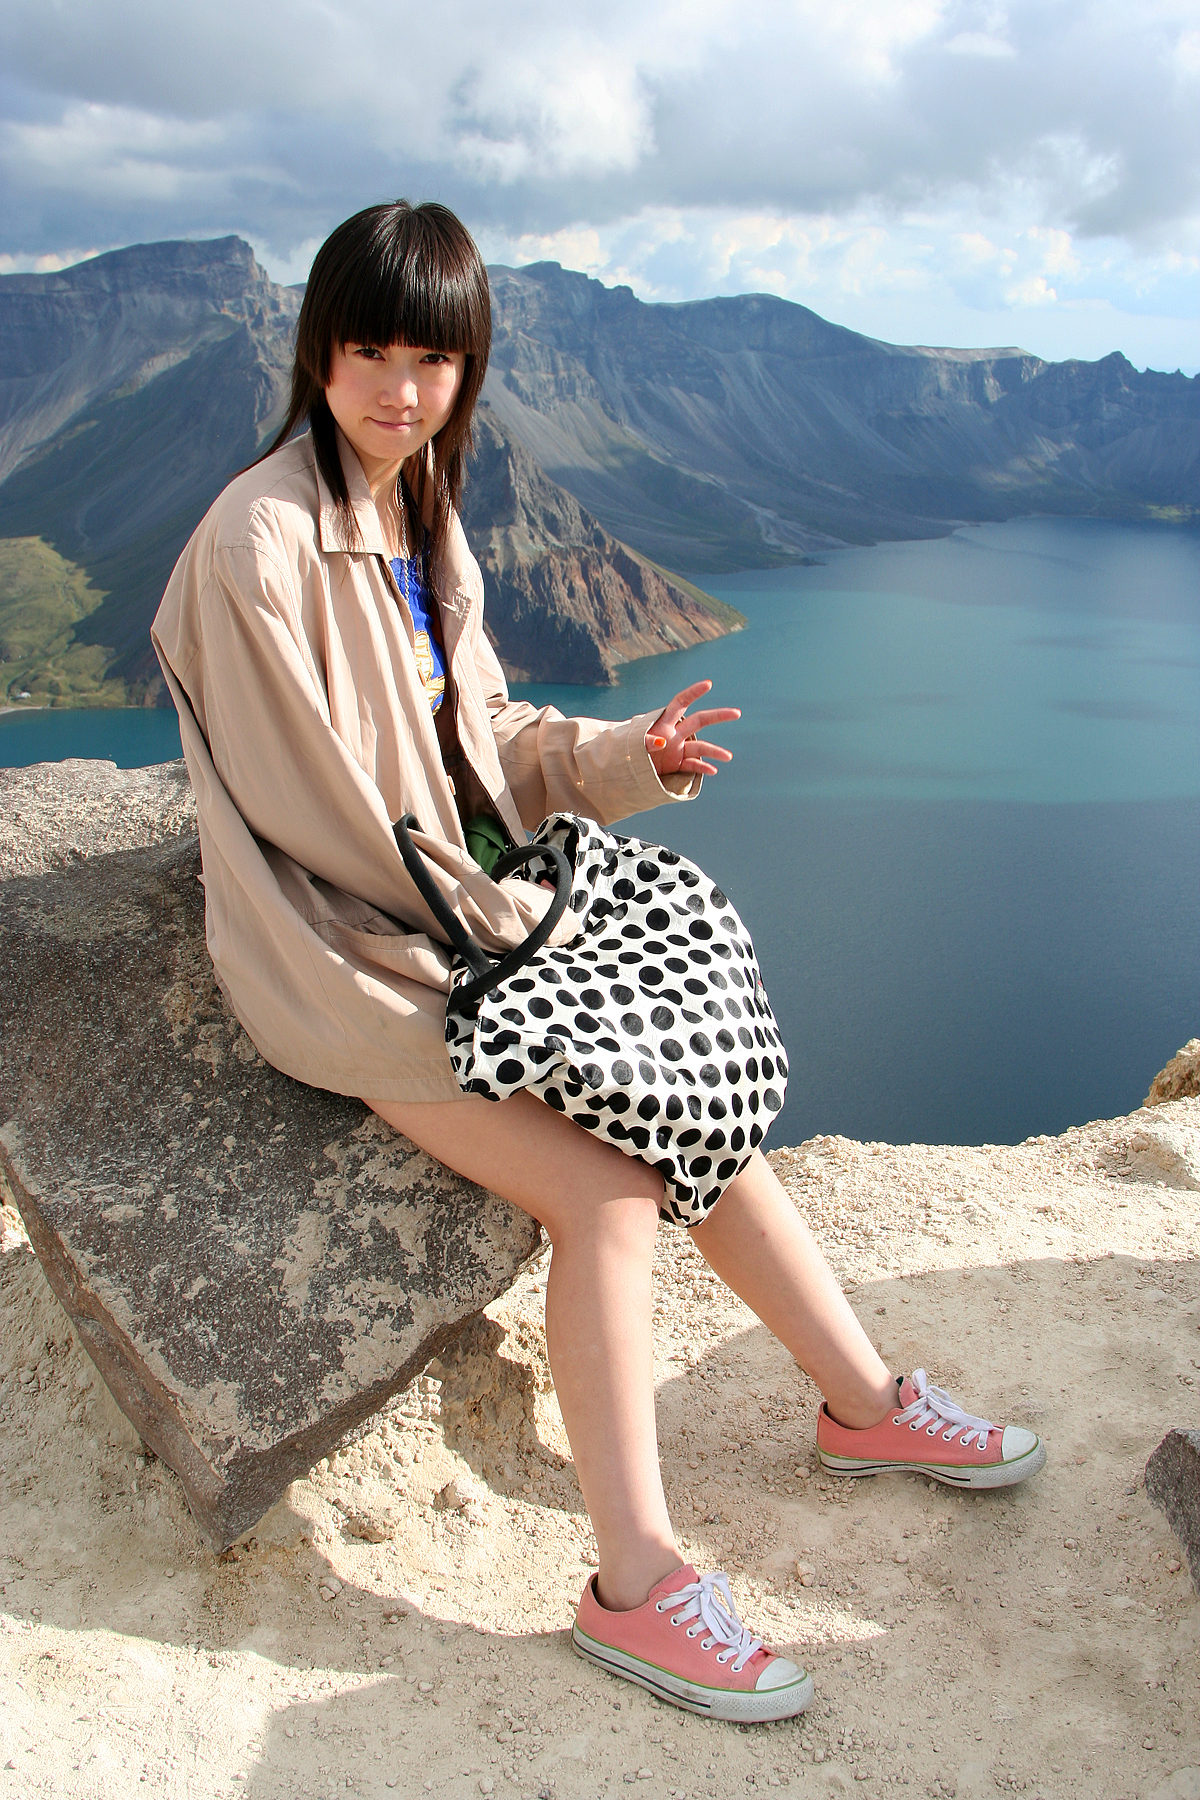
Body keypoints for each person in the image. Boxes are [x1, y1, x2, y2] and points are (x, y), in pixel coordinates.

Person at [152, 199, 1045, 1725]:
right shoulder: (263, 538)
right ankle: (636, 1587)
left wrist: (626, 757)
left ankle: (865, 1406)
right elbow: (327, 808)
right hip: (354, 952)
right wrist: (519, 927)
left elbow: (478, 736)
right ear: (317, 351)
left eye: (435, 360)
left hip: (450, 910)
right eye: (370, 353)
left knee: (687, 1096)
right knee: (610, 1193)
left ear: (468, 368)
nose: (400, 390)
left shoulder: (417, 510)